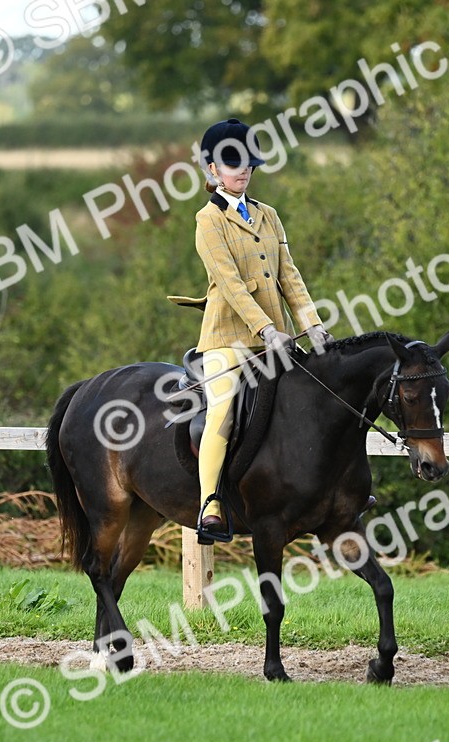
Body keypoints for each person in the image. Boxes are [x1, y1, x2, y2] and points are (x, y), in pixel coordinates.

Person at [169, 118, 331, 544]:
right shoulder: (208, 221)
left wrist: (311, 323)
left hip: (276, 337)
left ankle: (323, 489)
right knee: (221, 410)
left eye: (248, 165)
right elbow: (230, 284)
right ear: (212, 171)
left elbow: (289, 277)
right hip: (227, 337)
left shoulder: (268, 216)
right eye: (233, 164)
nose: (243, 172)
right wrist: (265, 328)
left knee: (313, 397)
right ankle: (210, 503)